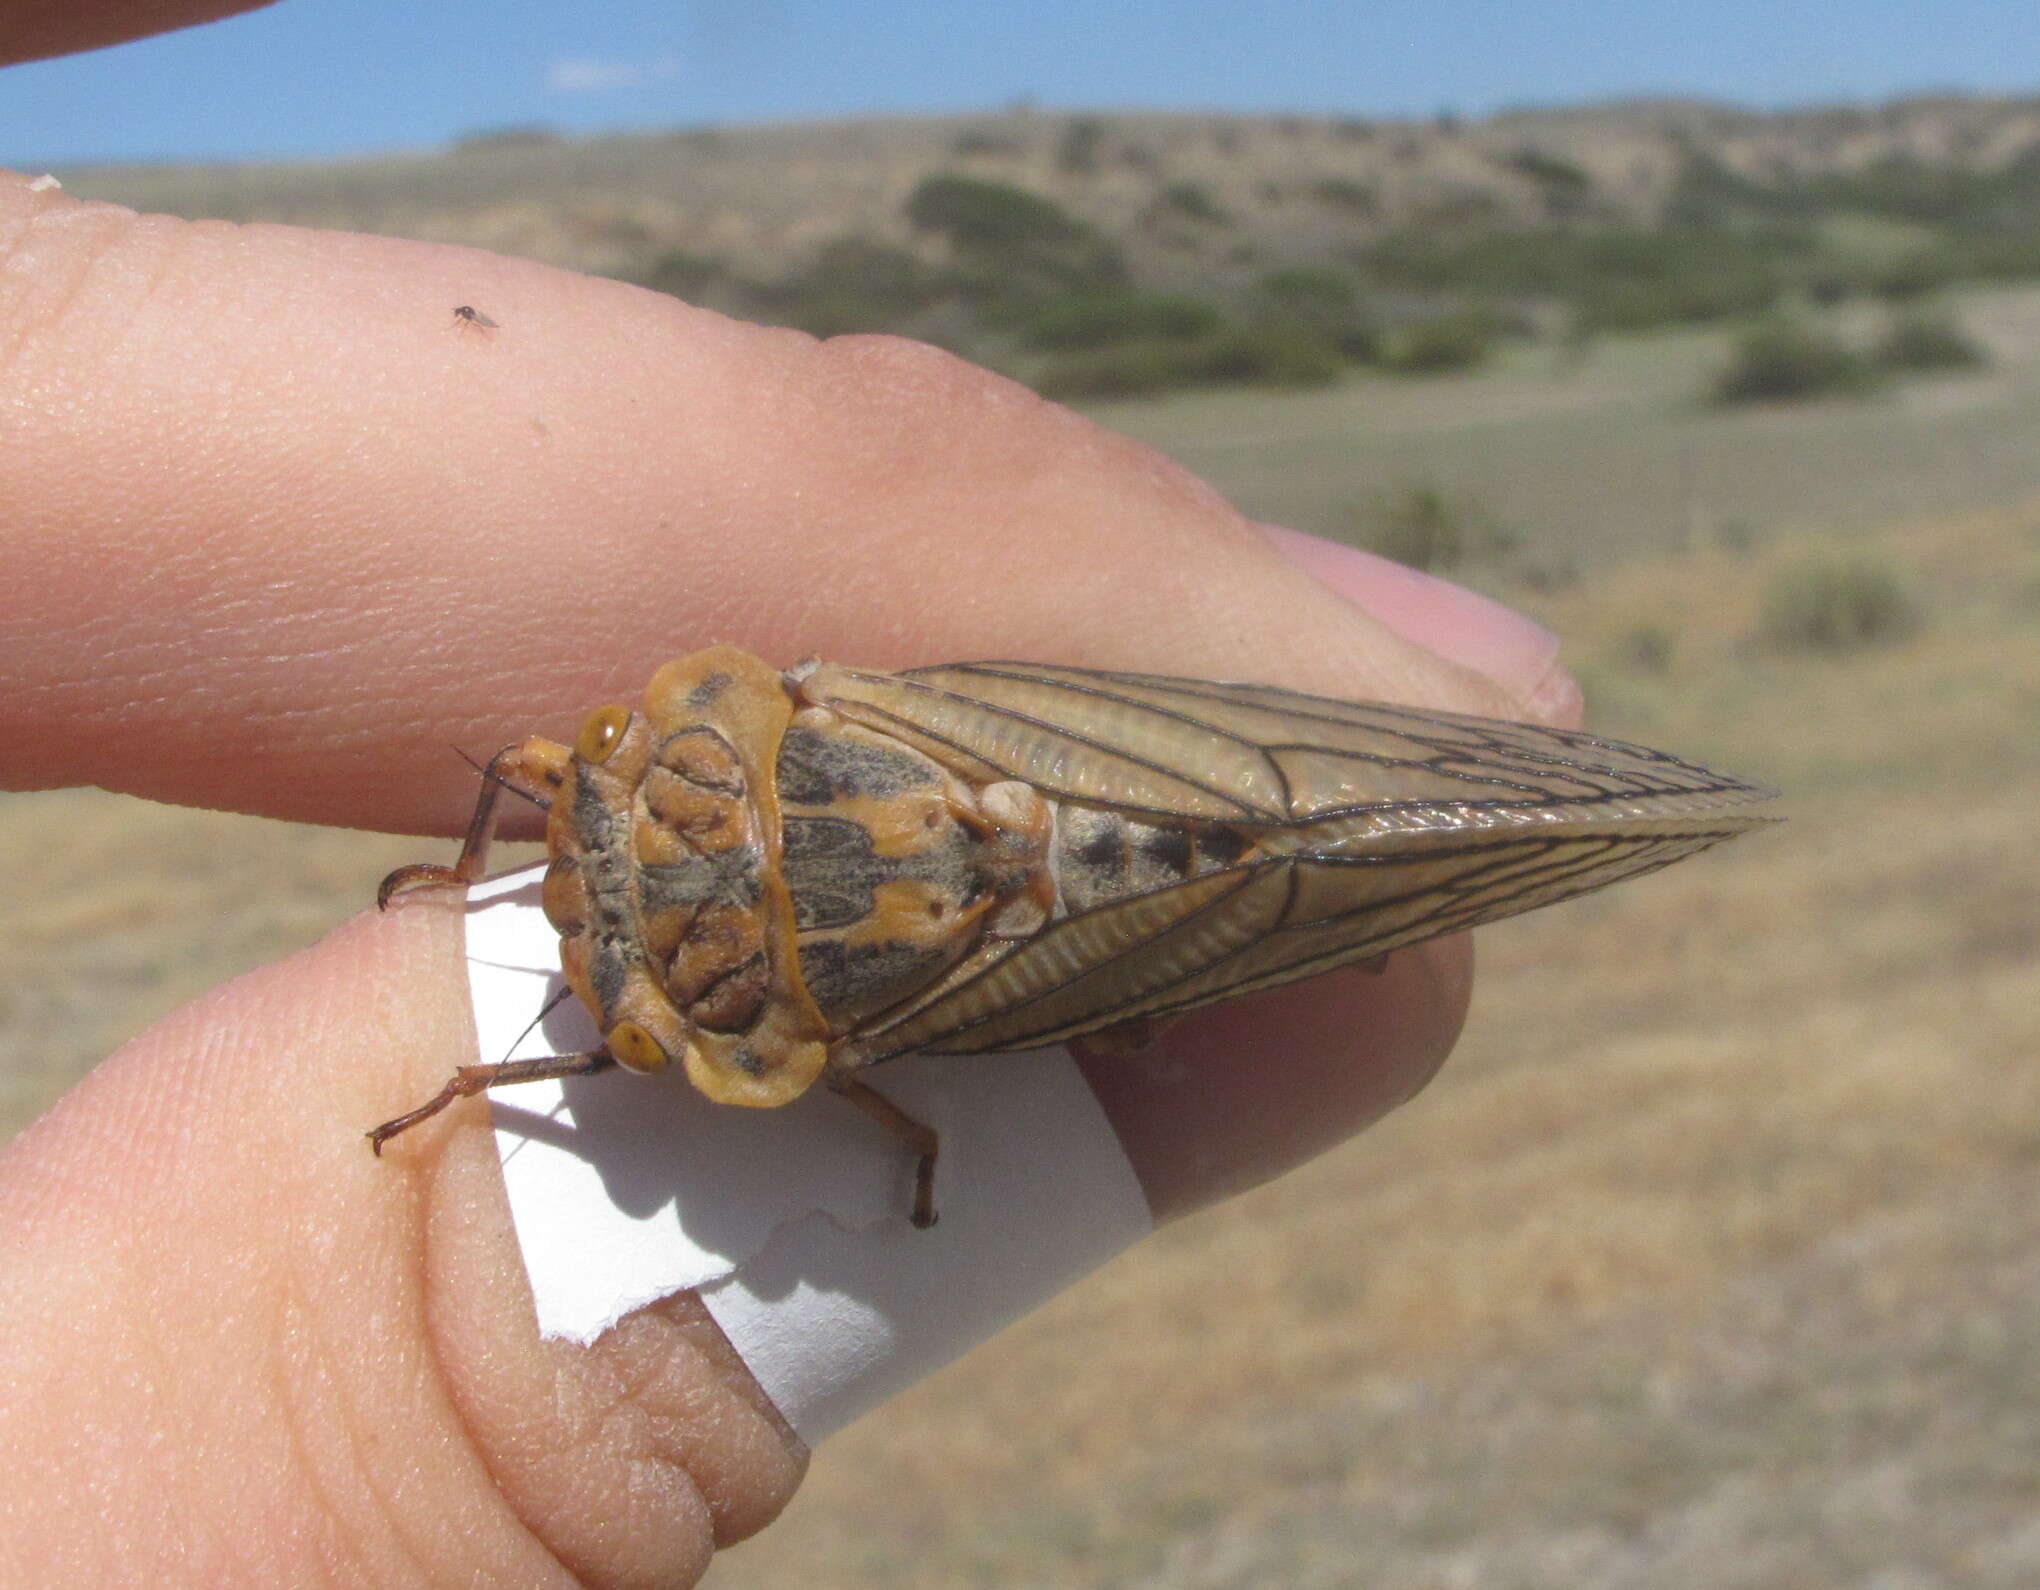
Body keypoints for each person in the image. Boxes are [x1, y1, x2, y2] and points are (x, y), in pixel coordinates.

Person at [0, 8, 1578, 1583]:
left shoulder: (790, 1036)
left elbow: (862, 1089)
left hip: (1043, 915)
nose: (576, 859)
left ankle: (1432, 843)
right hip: (1030, 767)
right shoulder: (767, 720)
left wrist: (494, 1057)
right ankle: (1430, 837)